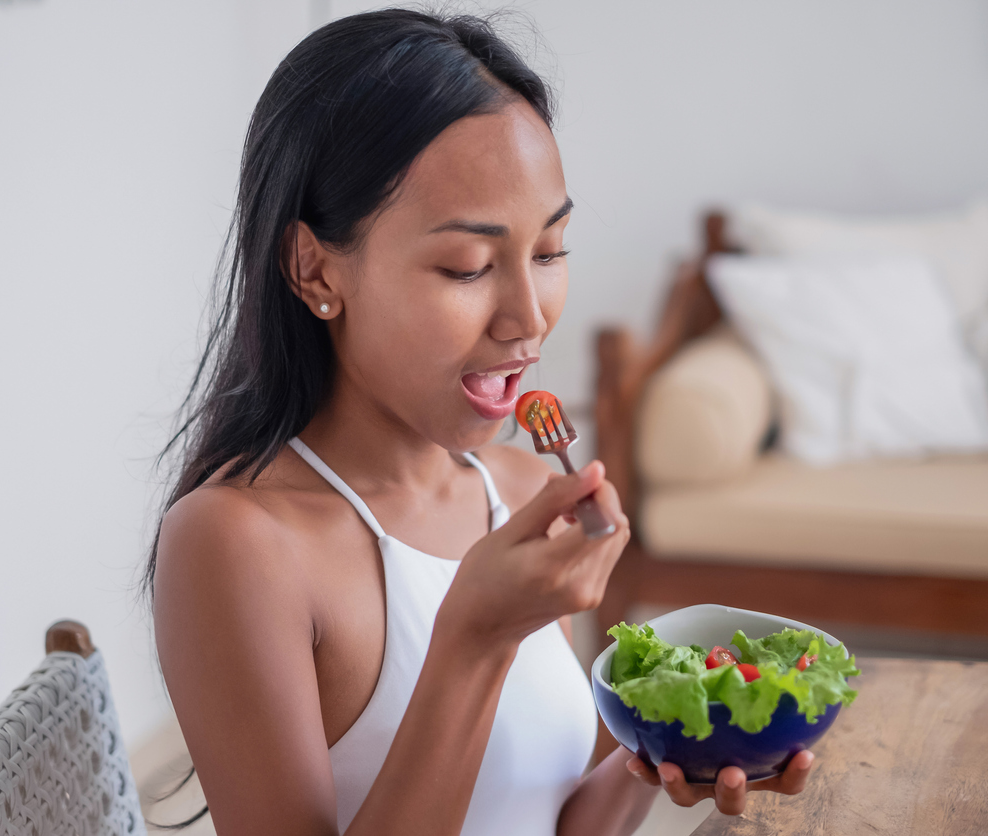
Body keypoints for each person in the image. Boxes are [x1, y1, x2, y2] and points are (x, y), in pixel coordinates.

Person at [145, 10, 814, 835]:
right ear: (315, 267)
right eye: (467, 266)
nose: (528, 320)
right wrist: (474, 639)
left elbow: (549, 818)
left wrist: (672, 745)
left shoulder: (523, 489)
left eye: (550, 250)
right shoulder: (236, 543)